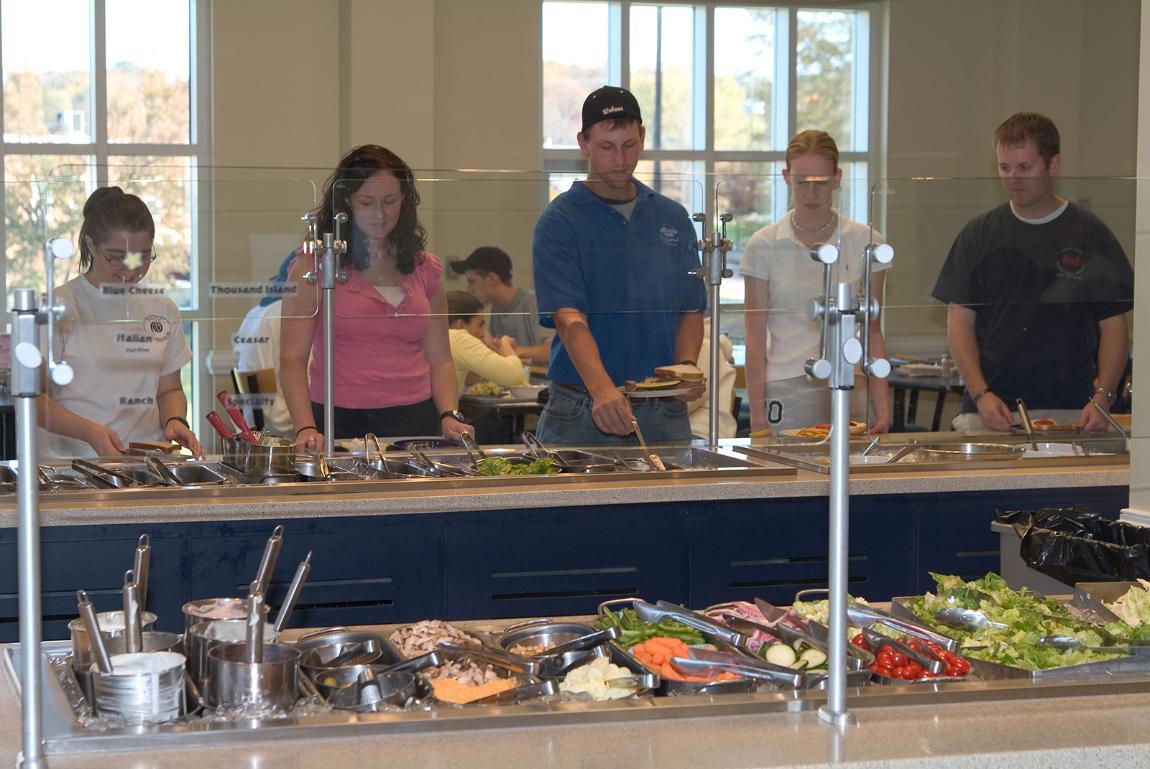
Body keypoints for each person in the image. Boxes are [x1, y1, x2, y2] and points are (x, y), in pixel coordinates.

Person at [931, 112, 1133, 433]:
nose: (1013, 178)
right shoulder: (978, 234)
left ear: (1053, 165)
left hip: (1073, 409)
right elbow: (959, 323)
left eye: (1025, 168)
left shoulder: (1091, 233)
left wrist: (1103, 398)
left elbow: (1114, 326)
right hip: (990, 408)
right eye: (1004, 168)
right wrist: (981, 393)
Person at [533, 85, 706, 445]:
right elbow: (568, 319)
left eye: (629, 145)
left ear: (642, 137)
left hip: (662, 410)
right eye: (607, 147)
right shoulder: (560, 221)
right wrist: (602, 390)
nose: (620, 159)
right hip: (582, 411)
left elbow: (690, 309)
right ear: (584, 143)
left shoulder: (672, 216)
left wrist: (685, 369)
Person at [280, 145, 471, 449]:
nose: (379, 214)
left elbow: (441, 359)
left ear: (404, 201)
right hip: (337, 419)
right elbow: (292, 360)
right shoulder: (313, 266)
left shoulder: (425, 267)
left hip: (416, 418)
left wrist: (449, 414)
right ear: (347, 203)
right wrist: (305, 427)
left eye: (390, 201)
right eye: (367, 202)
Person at [741, 130, 891, 436]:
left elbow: (872, 330)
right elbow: (754, 338)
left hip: (850, 381)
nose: (811, 193)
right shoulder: (764, 244)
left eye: (821, 183)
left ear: (837, 178)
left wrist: (883, 405)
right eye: (802, 183)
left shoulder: (867, 241)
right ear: (786, 177)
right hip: (785, 384)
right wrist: (757, 416)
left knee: (857, 479)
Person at [38, 187, 202, 459]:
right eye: (117, 257)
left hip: (146, 464)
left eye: (141, 257)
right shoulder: (59, 307)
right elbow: (33, 400)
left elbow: (169, 389)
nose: (131, 270)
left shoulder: (162, 309)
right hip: (72, 466)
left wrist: (175, 421)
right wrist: (89, 432)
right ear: (91, 245)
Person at [449, 246, 554, 366]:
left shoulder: (533, 302)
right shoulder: (496, 307)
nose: (469, 290)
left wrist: (509, 351)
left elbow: (552, 350)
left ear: (491, 278)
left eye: (472, 281)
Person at [446, 290, 529, 393]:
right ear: (461, 325)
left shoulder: (442, 337)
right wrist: (505, 343)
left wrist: (493, 350)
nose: (482, 334)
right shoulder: (457, 337)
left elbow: (473, 377)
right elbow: (515, 376)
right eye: (479, 326)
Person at [688, 317, 738, 440]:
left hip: (703, 431)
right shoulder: (707, 346)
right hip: (703, 429)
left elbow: (692, 398)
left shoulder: (704, 347)